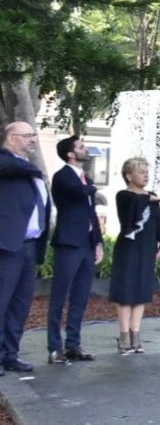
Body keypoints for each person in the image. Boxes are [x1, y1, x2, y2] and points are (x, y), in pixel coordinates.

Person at [47, 135, 104, 364]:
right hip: (68, 242)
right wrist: (90, 186)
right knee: (59, 296)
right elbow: (80, 193)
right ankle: (54, 347)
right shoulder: (62, 176)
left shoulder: (85, 179)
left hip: (87, 244)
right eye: (81, 147)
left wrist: (98, 242)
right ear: (71, 154)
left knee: (80, 296)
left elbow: (92, 213)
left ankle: (73, 345)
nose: (86, 149)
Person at [0, 122, 50, 375]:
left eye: (34, 135)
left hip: (30, 246)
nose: (33, 139)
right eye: (28, 135)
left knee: (20, 304)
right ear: (11, 138)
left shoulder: (27, 170)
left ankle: (10, 354)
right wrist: (34, 169)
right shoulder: (6, 161)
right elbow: (16, 166)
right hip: (8, 246)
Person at [109, 158, 160, 355]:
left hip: (146, 248)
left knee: (141, 293)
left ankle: (136, 335)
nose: (145, 175)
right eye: (141, 171)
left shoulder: (150, 196)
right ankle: (124, 336)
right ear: (129, 175)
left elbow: (158, 222)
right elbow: (133, 206)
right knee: (126, 293)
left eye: (147, 171)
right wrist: (149, 199)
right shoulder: (124, 196)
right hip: (129, 248)